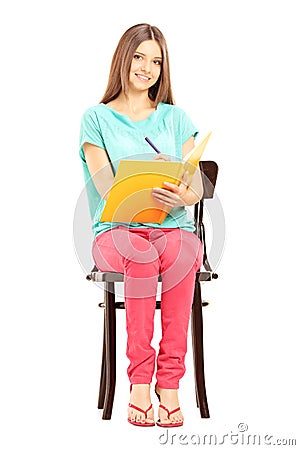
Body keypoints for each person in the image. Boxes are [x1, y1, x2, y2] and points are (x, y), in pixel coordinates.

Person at [79, 23, 204, 427]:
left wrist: (181, 195)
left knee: (186, 251)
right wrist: (144, 175)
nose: (146, 67)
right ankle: (138, 382)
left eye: (156, 60)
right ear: (123, 58)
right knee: (142, 255)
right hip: (115, 230)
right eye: (138, 56)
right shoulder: (95, 118)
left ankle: (169, 384)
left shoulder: (175, 118)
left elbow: (196, 187)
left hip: (172, 227)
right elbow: (102, 187)